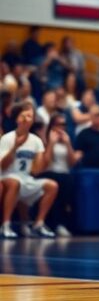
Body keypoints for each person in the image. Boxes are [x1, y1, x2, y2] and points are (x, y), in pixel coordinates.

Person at [0, 102, 59, 238]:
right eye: (24, 116)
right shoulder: (7, 138)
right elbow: (2, 166)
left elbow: (38, 170)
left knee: (52, 185)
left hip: (26, 178)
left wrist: (49, 145)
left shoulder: (36, 141)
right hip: (6, 176)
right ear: (17, 119)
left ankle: (38, 223)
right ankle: (6, 225)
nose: (27, 119)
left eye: (30, 116)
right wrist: (15, 147)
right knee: (15, 183)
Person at [40, 114, 77, 237]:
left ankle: (61, 224)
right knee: (60, 181)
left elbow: (72, 162)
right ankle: (53, 224)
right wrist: (51, 143)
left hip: (65, 174)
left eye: (64, 124)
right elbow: (46, 162)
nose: (62, 127)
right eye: (59, 124)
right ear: (52, 125)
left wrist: (67, 144)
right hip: (50, 173)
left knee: (68, 180)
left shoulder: (67, 139)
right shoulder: (46, 139)